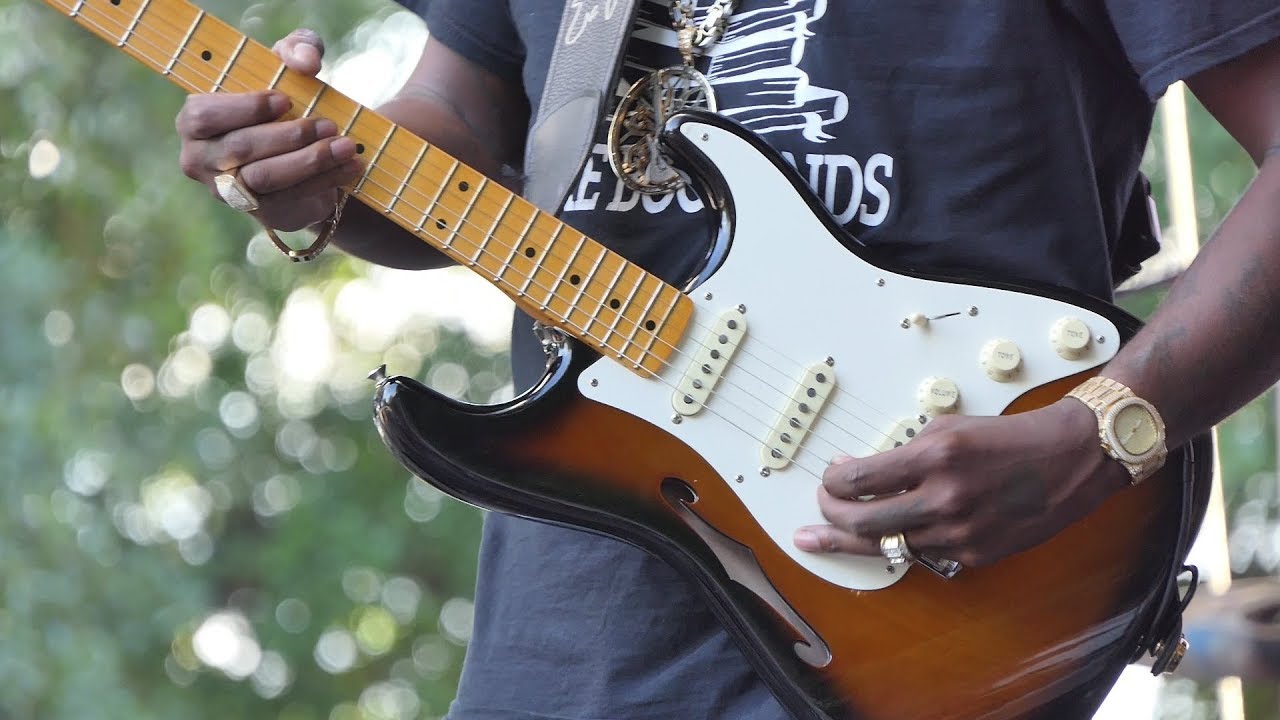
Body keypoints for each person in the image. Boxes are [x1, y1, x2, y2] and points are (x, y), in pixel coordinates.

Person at [175, 2, 1280, 718]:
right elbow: (457, 119)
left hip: (928, 612)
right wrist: (317, 163)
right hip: (564, 643)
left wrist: (1097, 433)